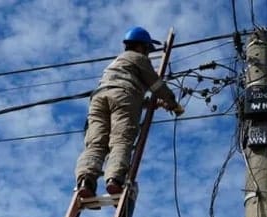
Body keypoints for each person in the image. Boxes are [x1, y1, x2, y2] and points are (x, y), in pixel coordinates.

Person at [75, 26, 185, 201]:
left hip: (98, 98)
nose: (148, 53)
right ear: (141, 46)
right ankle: (114, 178)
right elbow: (155, 84)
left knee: (96, 143)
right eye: (148, 49)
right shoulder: (139, 58)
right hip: (123, 96)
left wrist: (151, 104)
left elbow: (123, 92)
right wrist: (173, 103)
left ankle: (86, 181)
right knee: (121, 138)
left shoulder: (116, 62)